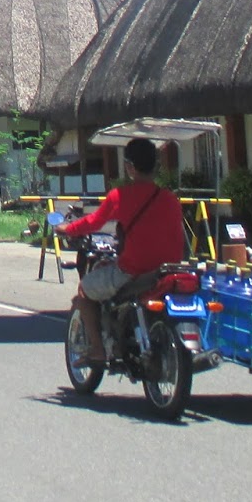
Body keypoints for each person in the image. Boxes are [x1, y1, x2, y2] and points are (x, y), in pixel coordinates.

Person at [54, 136, 185, 362]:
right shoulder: (170, 198)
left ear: (130, 167)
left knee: (85, 289)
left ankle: (97, 348)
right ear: (156, 165)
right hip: (167, 270)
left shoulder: (120, 196)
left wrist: (67, 228)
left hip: (134, 271)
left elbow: (93, 222)